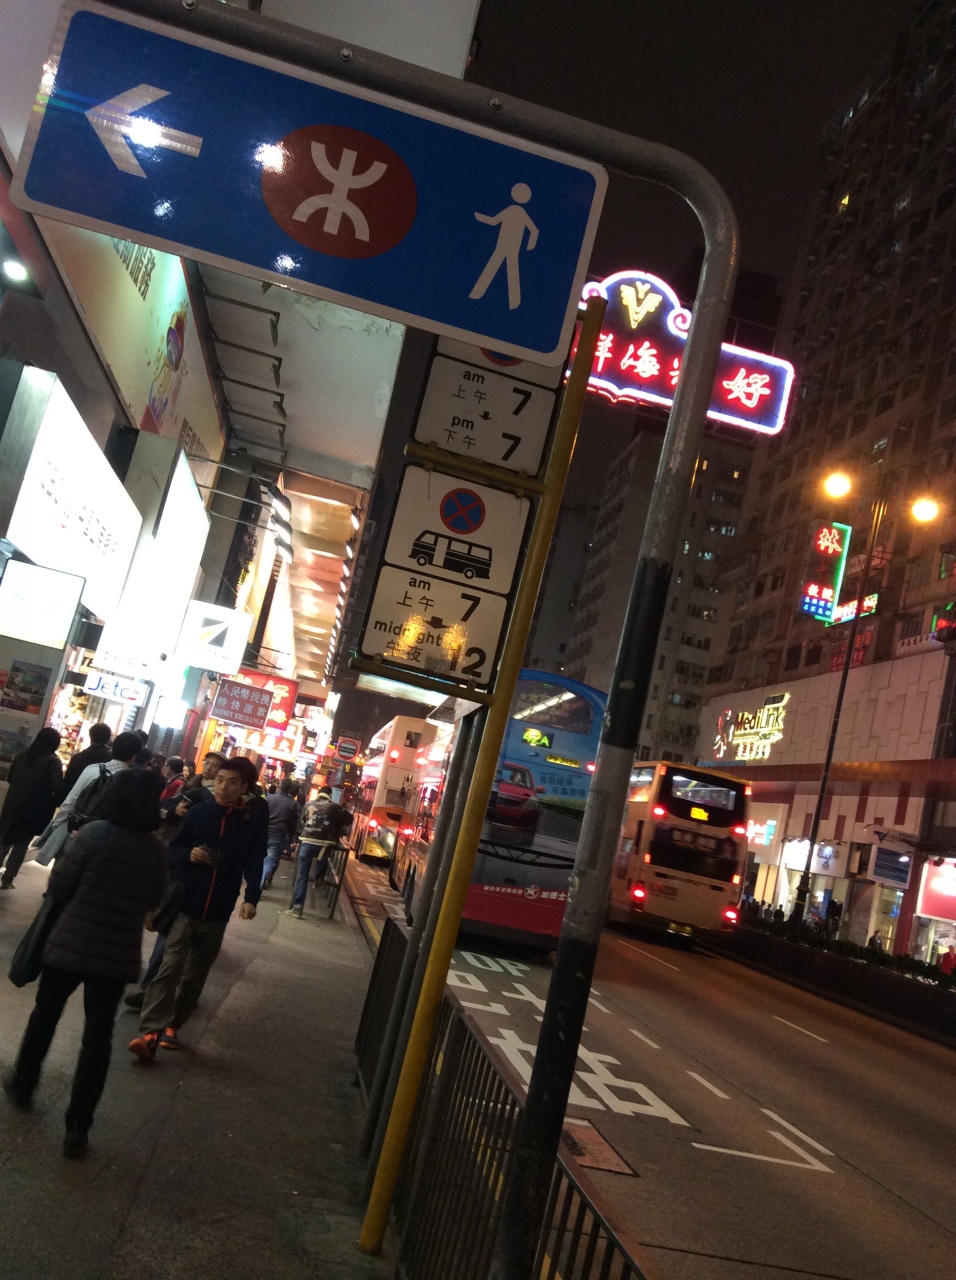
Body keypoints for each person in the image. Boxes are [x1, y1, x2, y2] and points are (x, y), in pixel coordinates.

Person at [3, 769, 167, 1157]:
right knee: (98, 1038)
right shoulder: (155, 850)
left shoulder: (93, 835)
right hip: (116, 956)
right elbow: (153, 900)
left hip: (70, 945)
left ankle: (24, 1084)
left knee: (45, 1017)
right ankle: (78, 1126)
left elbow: (59, 887)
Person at [128, 755, 265, 1058]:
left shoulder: (249, 823)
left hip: (218, 910)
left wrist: (251, 898)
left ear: (244, 788)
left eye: (232, 783)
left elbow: (256, 860)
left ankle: (174, 1024)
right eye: (220, 780)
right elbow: (173, 850)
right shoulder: (199, 813)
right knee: (169, 967)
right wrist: (188, 855)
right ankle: (150, 1031)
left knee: (194, 975)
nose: (223, 787)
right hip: (186, 903)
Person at [0, 728, 63, 889]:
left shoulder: (23, 755)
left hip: (12, 804)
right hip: (33, 809)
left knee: (4, 839)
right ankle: (8, 879)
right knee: (21, 845)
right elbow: (57, 787)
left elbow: (10, 777)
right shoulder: (53, 761)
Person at [286, 786, 352, 920]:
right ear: (330, 795)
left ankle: (297, 908)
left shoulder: (308, 804)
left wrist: (296, 839)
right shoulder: (334, 807)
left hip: (306, 842)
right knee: (324, 855)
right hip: (324, 844)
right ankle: (319, 877)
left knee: (302, 876)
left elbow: (302, 822)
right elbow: (349, 819)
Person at [261, 778, 299, 890]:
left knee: (259, 858)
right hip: (278, 836)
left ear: (280, 786)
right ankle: (260, 883)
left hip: (263, 833)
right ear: (290, 789)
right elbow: (293, 823)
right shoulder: (292, 804)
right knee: (269, 861)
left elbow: (262, 815)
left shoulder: (269, 798)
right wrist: (291, 837)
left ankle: (255, 882)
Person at [59, 723, 112, 800]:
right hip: (97, 804)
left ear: (90, 736)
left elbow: (67, 785)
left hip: (75, 801)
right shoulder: (111, 760)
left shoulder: (77, 758)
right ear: (108, 738)